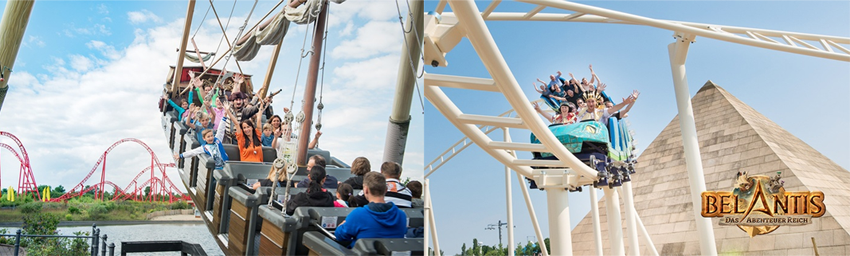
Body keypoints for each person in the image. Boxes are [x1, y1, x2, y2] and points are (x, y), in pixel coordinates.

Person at [334, 172, 407, 247]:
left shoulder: (358, 215)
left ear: (366, 190)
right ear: (386, 190)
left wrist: (341, 226)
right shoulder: (401, 216)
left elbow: (340, 236)